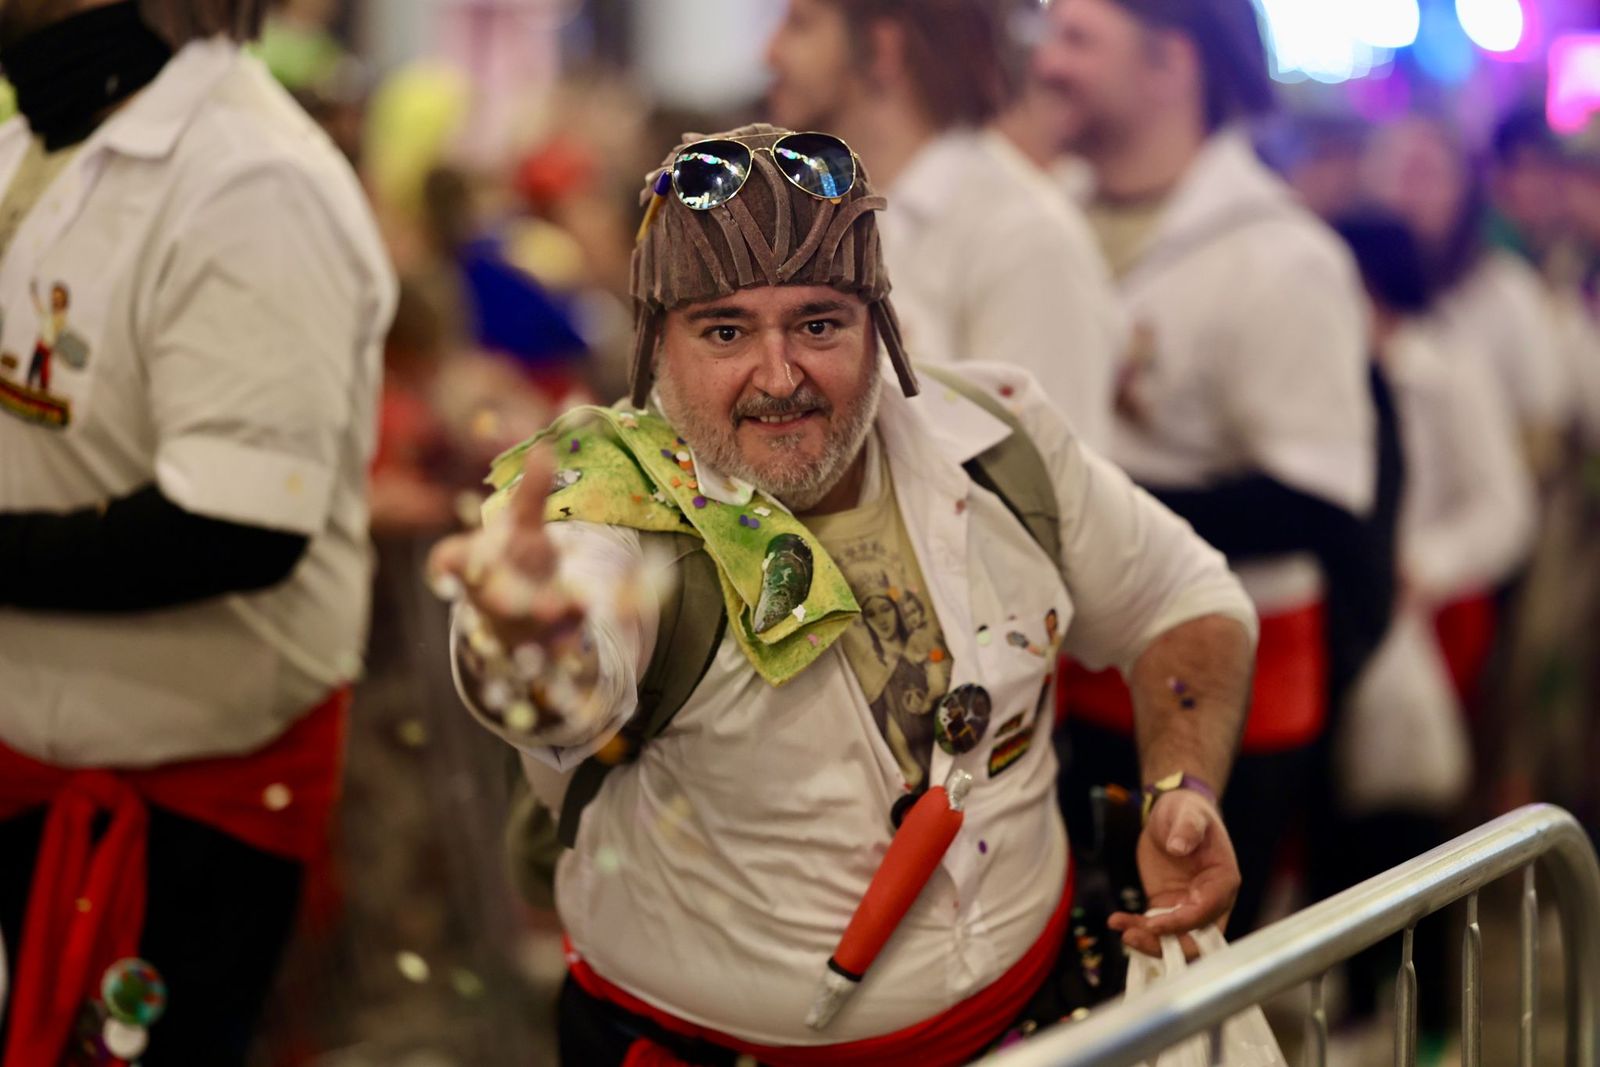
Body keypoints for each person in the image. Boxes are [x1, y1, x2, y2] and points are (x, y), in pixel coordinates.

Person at [431, 122, 1259, 1064]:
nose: (779, 376)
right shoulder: (609, 506)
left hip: (1045, 1023)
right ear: (658, 343)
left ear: (883, 324)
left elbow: (1183, 597)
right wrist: (522, 636)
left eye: (819, 322)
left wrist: (1181, 783)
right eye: (726, 330)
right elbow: (558, 686)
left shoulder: (995, 437)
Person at [0, 2, 395, 1064]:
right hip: (37, 769)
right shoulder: (36, 136)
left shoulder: (250, 180)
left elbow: (233, 526)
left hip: (178, 819)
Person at [1031, 0, 1379, 937]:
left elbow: (1321, 497)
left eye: (1077, 38)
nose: (1047, 62)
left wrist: (1076, 509)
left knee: (1177, 958)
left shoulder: (1279, 252)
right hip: (1068, 663)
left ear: (1169, 62)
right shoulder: (1038, 213)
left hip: (1227, 679)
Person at [764, 0, 1124, 449]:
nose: (770, 53)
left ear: (882, 49)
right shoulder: (821, 215)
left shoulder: (1022, 236)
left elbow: (1051, 489)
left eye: (800, 26)